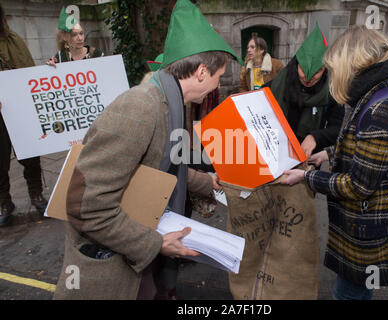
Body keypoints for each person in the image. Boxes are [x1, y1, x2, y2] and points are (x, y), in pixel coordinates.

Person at [53, 0, 243, 300]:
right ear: (202, 72)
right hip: (113, 269)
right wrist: (156, 245)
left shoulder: (172, 102)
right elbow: (86, 206)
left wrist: (208, 183)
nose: (217, 86)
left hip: (142, 251)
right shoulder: (140, 107)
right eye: (219, 77)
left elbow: (165, 166)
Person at [281, 25, 388, 300]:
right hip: (371, 222)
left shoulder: (381, 112)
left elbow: (358, 185)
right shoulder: (379, 92)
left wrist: (306, 177)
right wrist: (328, 155)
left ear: (353, 65)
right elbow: (371, 154)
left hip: (371, 226)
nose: (334, 76)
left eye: (336, 68)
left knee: (347, 294)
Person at [265, 23, 344, 158]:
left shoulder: (332, 93)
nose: (307, 78)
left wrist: (315, 137)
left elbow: (338, 129)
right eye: (302, 69)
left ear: (325, 69)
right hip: (275, 153)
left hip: (308, 159)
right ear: (296, 65)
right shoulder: (279, 83)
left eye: (317, 71)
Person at [0, 4, 47, 227]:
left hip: (19, 108)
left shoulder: (14, 41)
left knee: (30, 153)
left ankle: (36, 194)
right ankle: (4, 202)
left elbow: (29, 73)